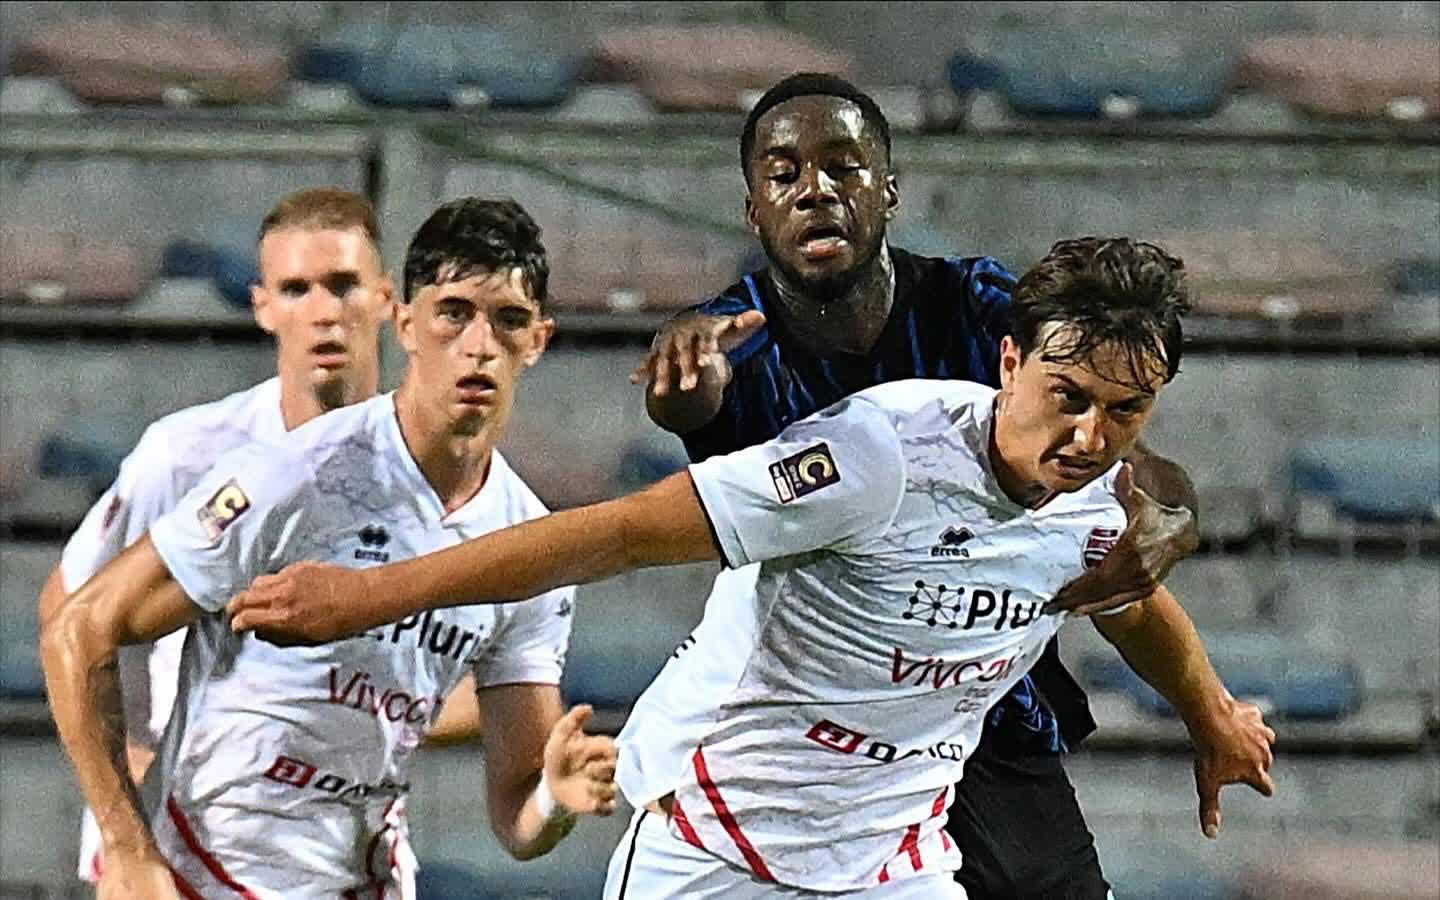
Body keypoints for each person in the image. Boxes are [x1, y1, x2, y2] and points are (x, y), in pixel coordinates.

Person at [224, 236, 1276, 898]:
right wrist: (366, 593)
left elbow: (1131, 602)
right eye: (1068, 397)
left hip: (893, 865)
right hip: (714, 844)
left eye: (1125, 411)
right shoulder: (873, 458)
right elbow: (621, 534)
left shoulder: (1107, 506)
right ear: (1009, 362)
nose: (1090, 436)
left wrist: (1213, 714)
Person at [626, 73, 1270, 898]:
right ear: (754, 209)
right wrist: (683, 402)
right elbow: (666, 464)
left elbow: (1115, 455)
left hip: (978, 697)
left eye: (844, 168)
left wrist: (1174, 522)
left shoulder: (977, 305)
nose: (816, 191)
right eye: (785, 175)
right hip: (815, 732)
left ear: (888, 190)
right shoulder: (725, 344)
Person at [40, 197, 619, 900]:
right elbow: (77, 628)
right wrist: (127, 846)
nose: (479, 344)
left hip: (363, 875)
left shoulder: (531, 546)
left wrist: (555, 800)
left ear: (539, 340)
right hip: (204, 870)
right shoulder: (290, 474)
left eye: (509, 320)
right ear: (405, 322)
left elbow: (519, 817)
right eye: (454, 313)